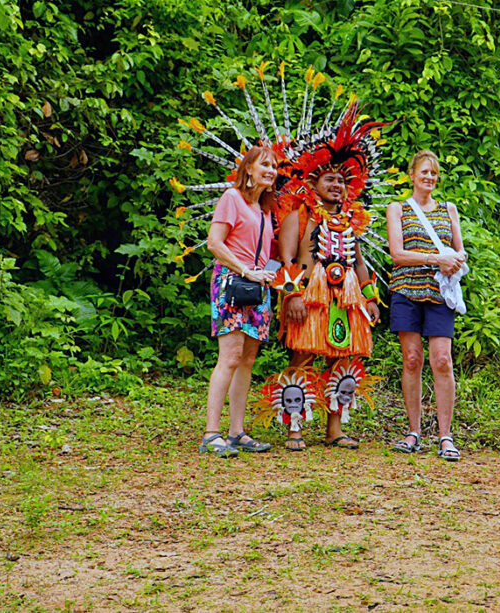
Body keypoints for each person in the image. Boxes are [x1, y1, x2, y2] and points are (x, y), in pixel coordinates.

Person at [273, 101, 386, 452]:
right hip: (310, 295)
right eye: (330, 179)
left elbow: (361, 262)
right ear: (314, 181)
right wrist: (291, 296)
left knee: (342, 359)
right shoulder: (300, 214)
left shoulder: (353, 220)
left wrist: (370, 298)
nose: (337, 185)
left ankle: (334, 429)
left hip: (346, 297)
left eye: (341, 180)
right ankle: (295, 429)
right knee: (302, 357)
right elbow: (285, 257)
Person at [200, 146, 282, 457]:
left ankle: (236, 431)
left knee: (247, 359)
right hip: (232, 282)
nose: (271, 170)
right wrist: (245, 268)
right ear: (247, 169)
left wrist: (266, 273)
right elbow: (214, 243)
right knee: (230, 356)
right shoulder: (231, 198)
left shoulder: (265, 209)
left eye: (274, 166)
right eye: (264, 164)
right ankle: (211, 433)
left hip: (257, 286)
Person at [386, 150, 468, 461]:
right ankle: (414, 431)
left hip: (439, 294)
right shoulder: (398, 209)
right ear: (412, 175)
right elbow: (397, 254)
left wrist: (454, 262)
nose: (429, 178)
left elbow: (461, 253)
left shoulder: (449, 209)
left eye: (433, 173)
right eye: (424, 172)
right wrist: (436, 258)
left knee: (442, 360)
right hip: (406, 291)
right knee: (411, 359)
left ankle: (446, 435)